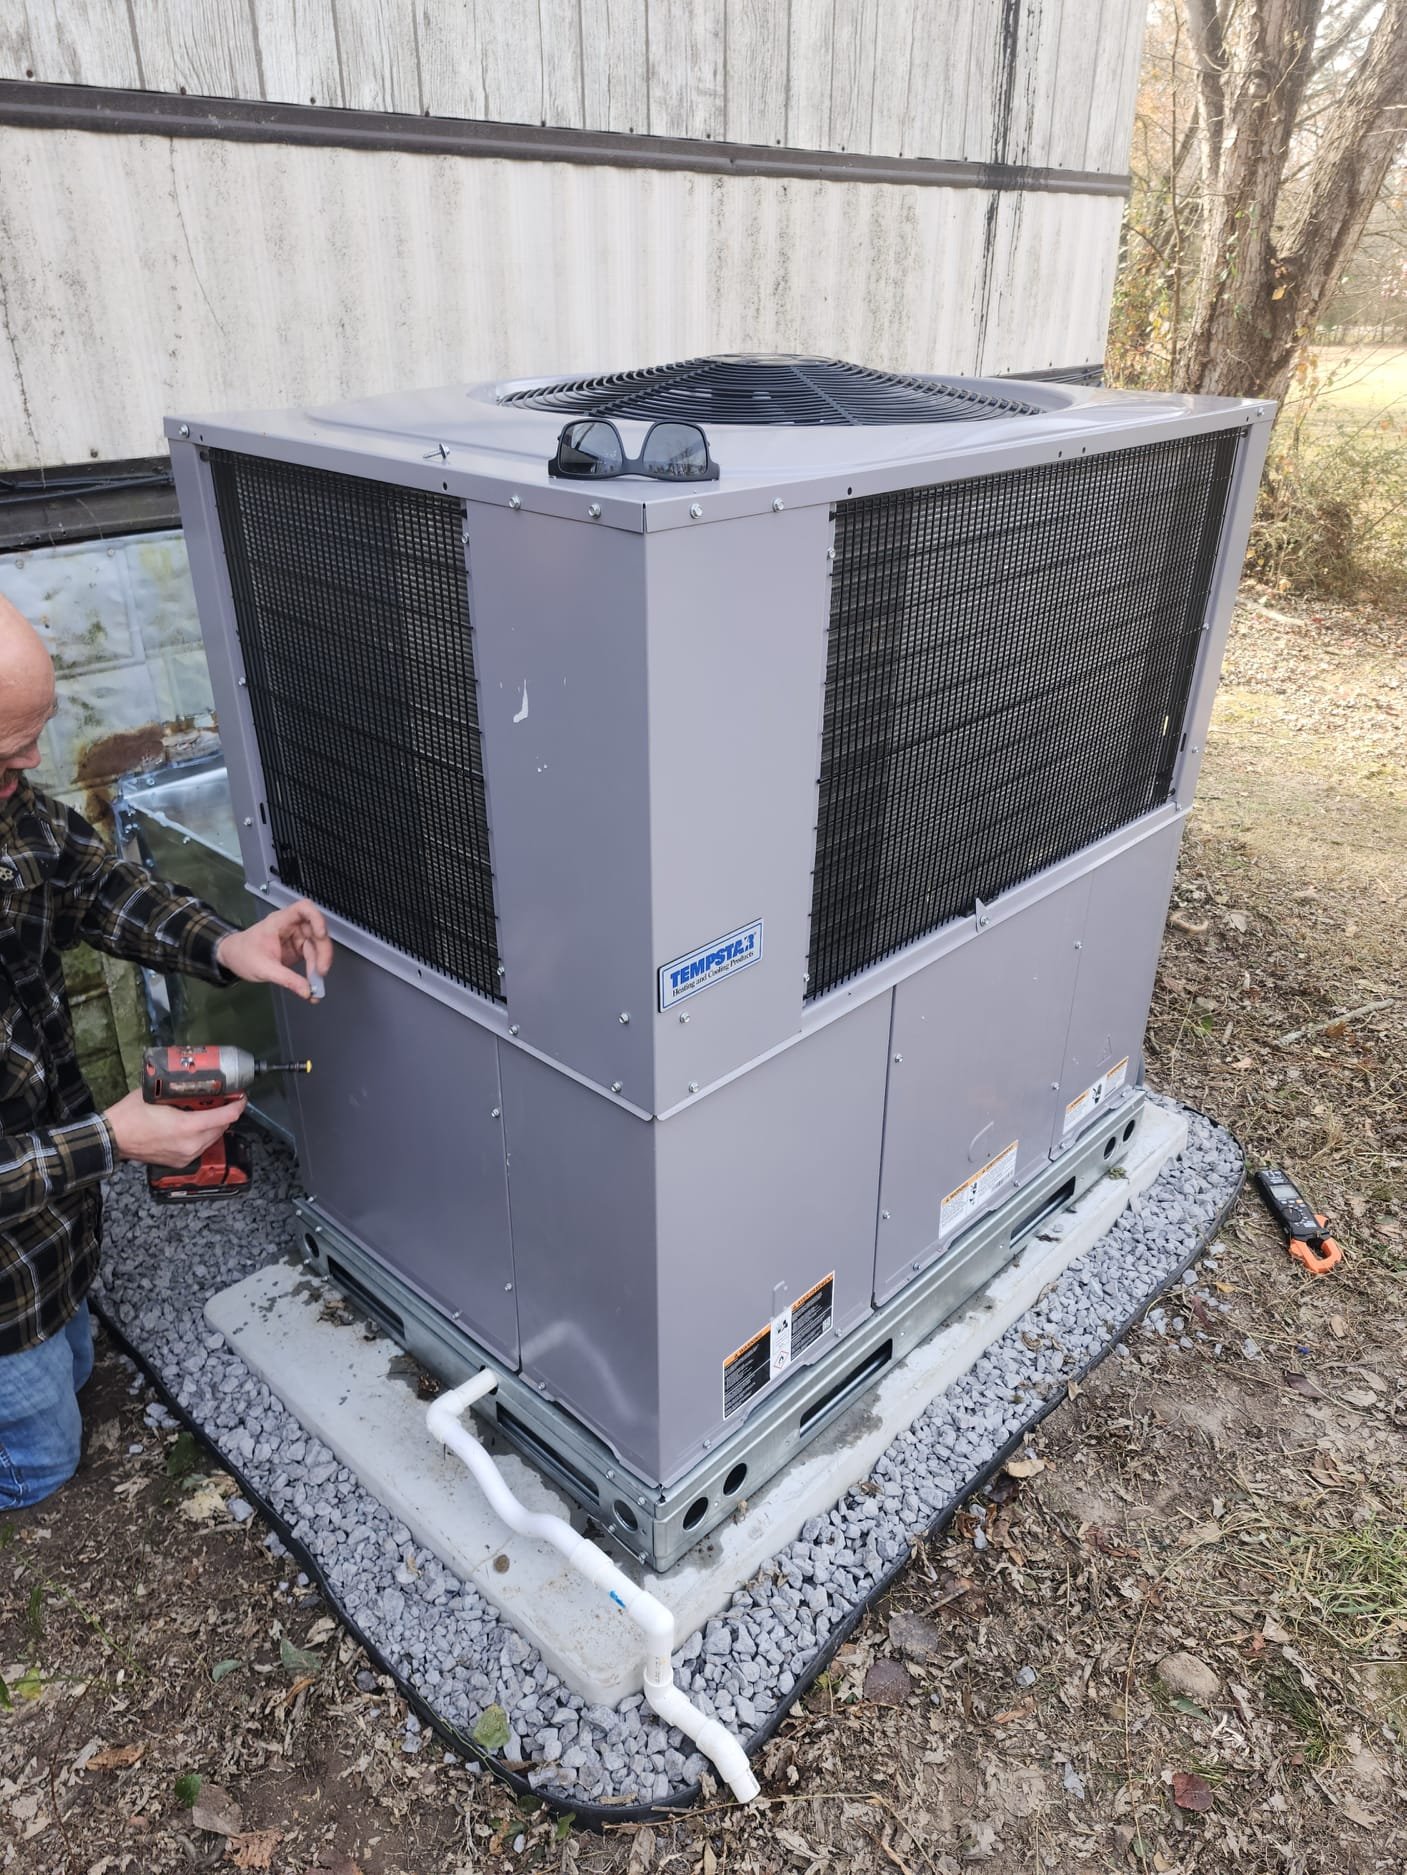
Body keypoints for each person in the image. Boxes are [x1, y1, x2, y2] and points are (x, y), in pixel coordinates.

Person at [0, 595, 332, 1508]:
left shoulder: (11, 811)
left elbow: (90, 880)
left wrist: (225, 943)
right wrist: (112, 1139)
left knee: (68, 1360)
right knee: (40, 1461)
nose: (34, 762)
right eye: (10, 749)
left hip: (42, 1228)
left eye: (36, 732)